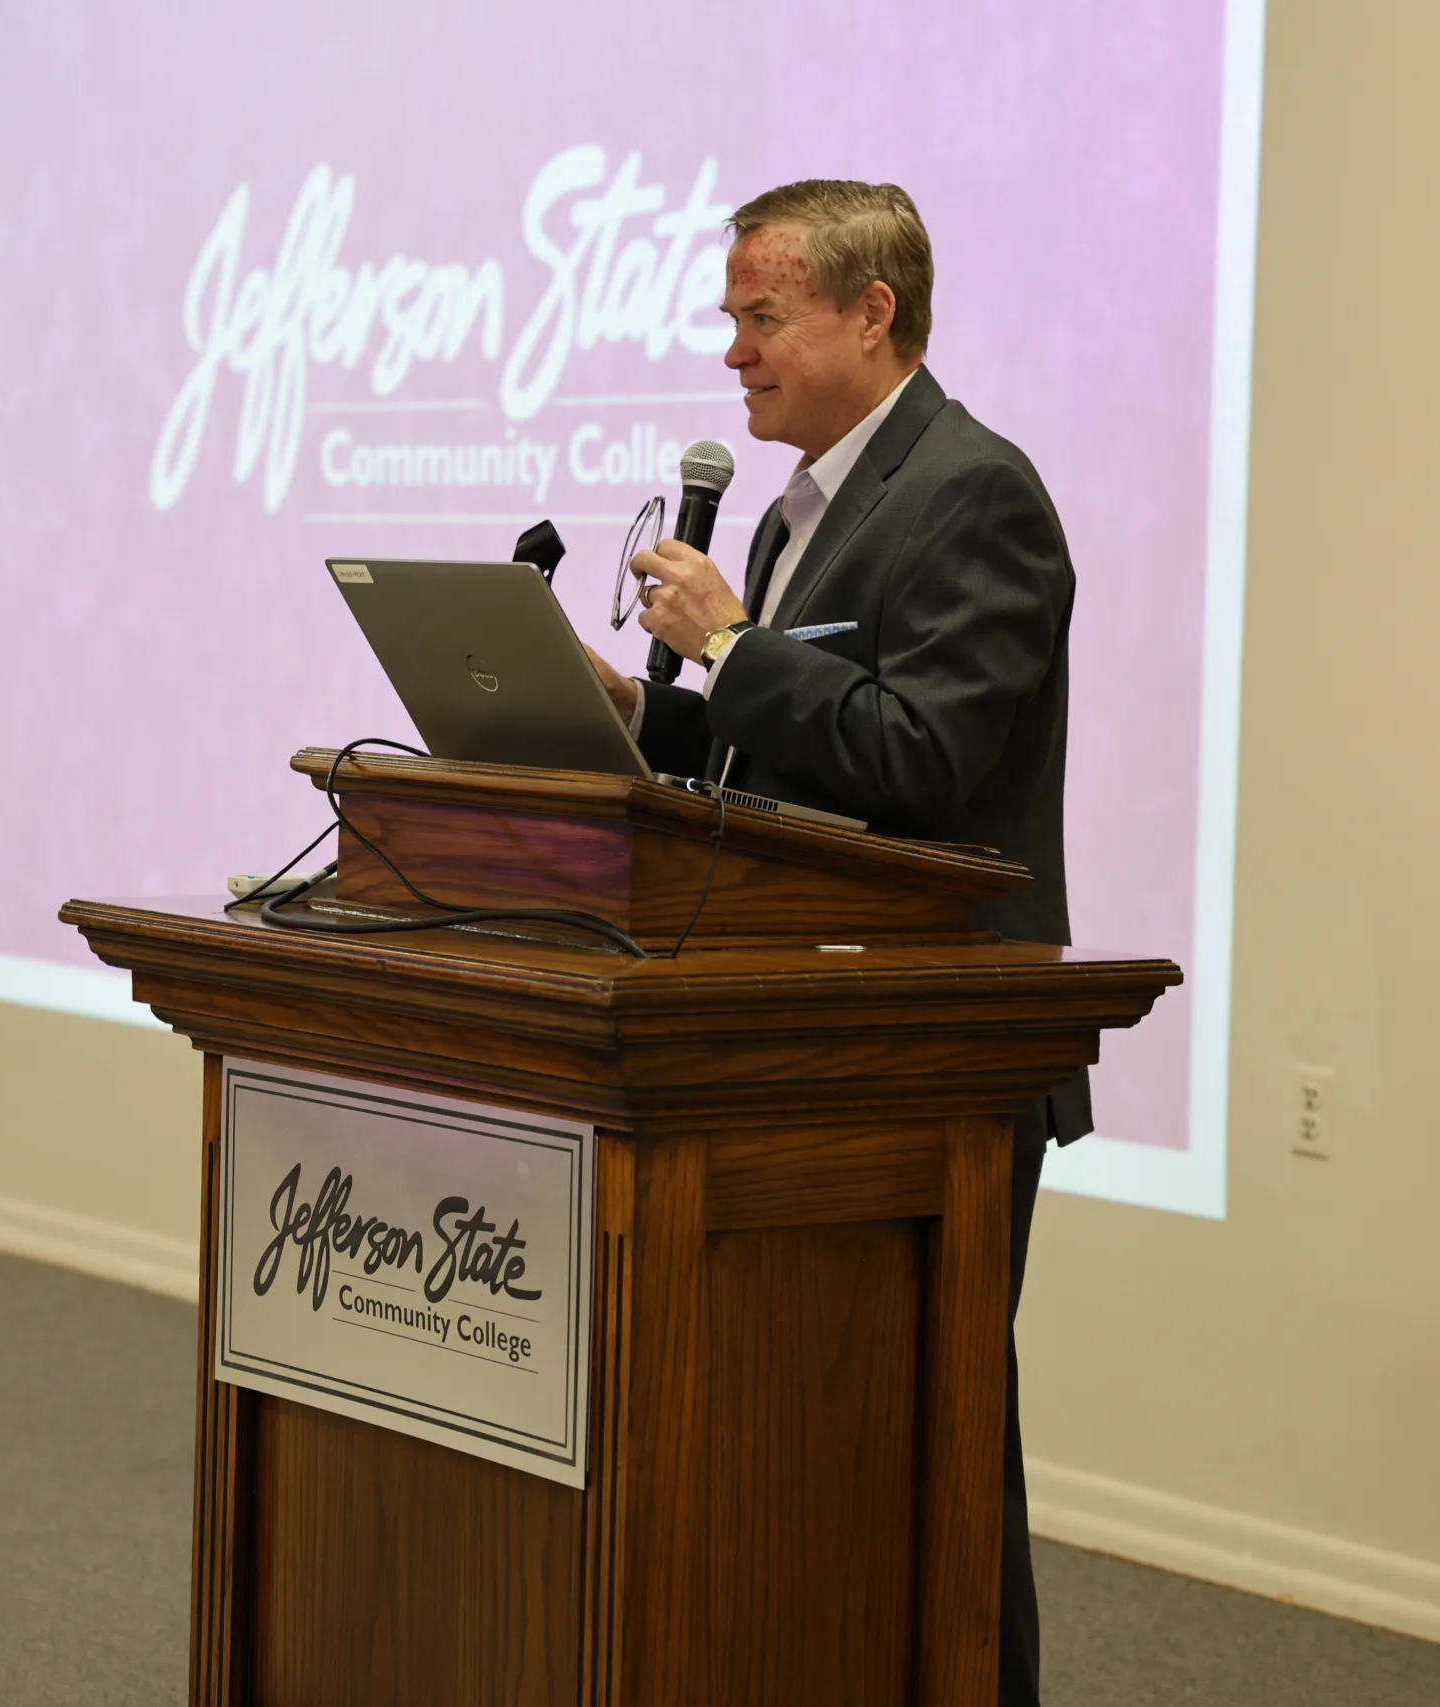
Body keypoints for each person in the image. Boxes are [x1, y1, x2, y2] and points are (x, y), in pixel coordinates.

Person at [586, 177, 1080, 1707]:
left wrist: (726, 647)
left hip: (934, 1048)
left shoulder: (974, 492)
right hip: (796, 1037)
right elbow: (789, 773)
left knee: (933, 1441)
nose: (732, 349)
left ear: (873, 313)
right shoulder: (812, 505)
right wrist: (636, 713)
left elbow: (920, 759)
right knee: (807, 1449)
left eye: (762, 313)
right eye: (730, 317)